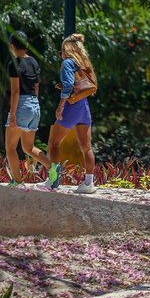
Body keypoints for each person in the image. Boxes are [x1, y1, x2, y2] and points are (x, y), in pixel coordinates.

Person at [47, 33, 97, 194]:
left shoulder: (68, 63)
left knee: (54, 143)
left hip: (72, 106)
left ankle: (53, 180)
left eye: (61, 49)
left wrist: (60, 106)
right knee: (86, 147)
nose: (60, 53)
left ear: (66, 50)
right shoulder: (83, 63)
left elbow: (68, 86)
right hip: (85, 108)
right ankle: (89, 183)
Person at [5, 31, 52, 185]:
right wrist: (33, 106)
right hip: (35, 105)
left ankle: (17, 182)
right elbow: (36, 87)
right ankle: (53, 168)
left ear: (12, 46)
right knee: (28, 147)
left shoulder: (14, 63)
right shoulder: (33, 62)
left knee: (11, 147)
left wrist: (12, 116)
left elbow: (15, 91)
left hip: (22, 106)